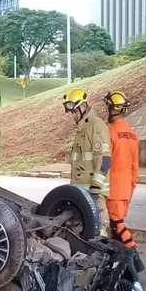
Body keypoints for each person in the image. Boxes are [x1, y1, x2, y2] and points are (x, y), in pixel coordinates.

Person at [63, 88, 111, 237]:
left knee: (99, 234)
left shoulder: (96, 125)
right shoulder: (82, 128)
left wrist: (96, 189)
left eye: (74, 112)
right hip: (82, 193)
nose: (73, 116)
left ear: (83, 107)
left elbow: (104, 159)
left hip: (93, 193)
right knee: (85, 235)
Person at [103, 91, 139, 249]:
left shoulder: (109, 132)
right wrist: (131, 187)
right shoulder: (132, 134)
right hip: (126, 189)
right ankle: (121, 264)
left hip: (112, 189)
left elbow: (105, 162)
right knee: (117, 227)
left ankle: (133, 255)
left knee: (117, 225)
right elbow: (135, 166)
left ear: (111, 109)